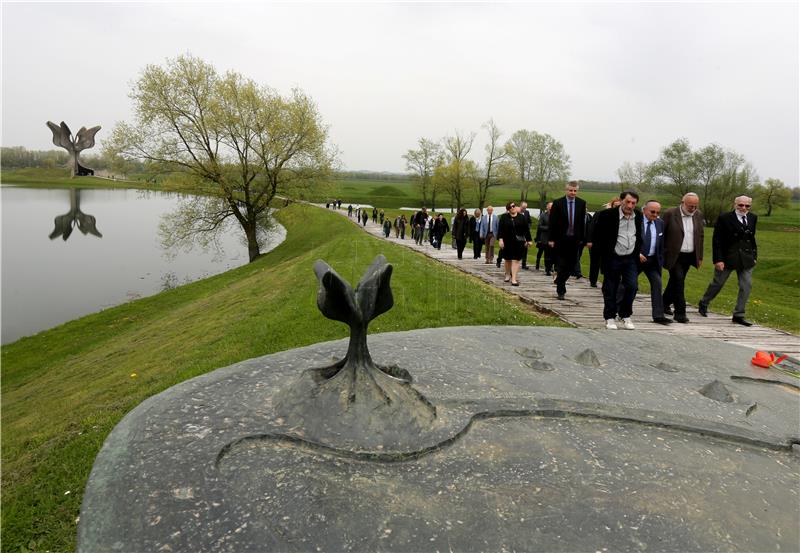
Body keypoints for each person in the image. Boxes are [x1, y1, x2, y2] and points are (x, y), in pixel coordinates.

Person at [698, 196, 758, 326]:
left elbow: (751, 239)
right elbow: (717, 240)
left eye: (747, 206)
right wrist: (718, 259)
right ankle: (704, 302)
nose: (744, 208)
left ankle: (738, 315)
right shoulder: (724, 218)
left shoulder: (753, 217)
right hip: (727, 257)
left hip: (746, 258)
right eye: (741, 205)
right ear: (735, 204)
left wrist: (754, 256)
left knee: (746, 286)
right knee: (718, 283)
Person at [590, 190, 643, 329]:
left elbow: (638, 236)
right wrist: (601, 256)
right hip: (612, 257)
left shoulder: (638, 216)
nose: (630, 206)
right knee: (610, 288)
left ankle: (625, 314)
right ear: (621, 201)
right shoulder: (607, 215)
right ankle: (609, 317)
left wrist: (637, 251)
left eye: (633, 203)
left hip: (630, 257)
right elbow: (598, 236)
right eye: (628, 202)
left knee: (632, 286)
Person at [662, 192, 704, 323]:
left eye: (695, 206)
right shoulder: (670, 213)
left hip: (689, 255)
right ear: (682, 203)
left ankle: (663, 303)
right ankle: (680, 313)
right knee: (679, 281)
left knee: (675, 281)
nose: (693, 209)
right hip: (674, 255)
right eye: (690, 206)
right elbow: (661, 234)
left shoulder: (698, 215)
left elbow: (700, 236)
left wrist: (700, 256)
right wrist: (662, 252)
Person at [548, 181, 588, 300]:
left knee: (571, 266)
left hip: (574, 240)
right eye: (571, 190)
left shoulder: (581, 203)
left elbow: (582, 223)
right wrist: (551, 239)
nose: (573, 193)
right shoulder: (558, 203)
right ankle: (561, 290)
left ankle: (559, 279)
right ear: (566, 190)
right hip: (561, 239)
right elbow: (552, 222)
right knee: (561, 264)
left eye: (575, 191)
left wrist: (583, 239)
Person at [637, 200, 671, 325]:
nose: (655, 214)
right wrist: (637, 253)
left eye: (658, 212)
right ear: (644, 210)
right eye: (652, 212)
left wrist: (660, 258)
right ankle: (618, 309)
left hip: (653, 260)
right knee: (628, 285)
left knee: (657, 284)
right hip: (637, 259)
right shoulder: (636, 221)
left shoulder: (660, 223)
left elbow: (661, 243)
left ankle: (658, 315)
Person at [588, 197, 621, 287]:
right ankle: (593, 280)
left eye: (619, 206)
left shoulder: (621, 217)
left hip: (611, 245)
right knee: (595, 262)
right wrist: (590, 240)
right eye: (615, 205)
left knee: (608, 264)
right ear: (612, 205)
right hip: (597, 243)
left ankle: (608, 282)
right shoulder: (600, 214)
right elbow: (591, 227)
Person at [498, 201, 532, 286]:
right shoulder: (504, 217)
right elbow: (500, 229)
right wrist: (501, 239)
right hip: (507, 241)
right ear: (508, 210)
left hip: (519, 242)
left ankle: (514, 279)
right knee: (508, 259)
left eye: (513, 206)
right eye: (510, 207)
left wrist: (529, 240)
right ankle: (507, 274)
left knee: (516, 260)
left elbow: (526, 230)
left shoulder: (522, 217)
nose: (512, 208)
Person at [534, 202, 553, 273]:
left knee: (552, 254)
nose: (551, 208)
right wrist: (548, 228)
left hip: (554, 238)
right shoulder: (543, 215)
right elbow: (539, 226)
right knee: (546, 254)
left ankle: (551, 266)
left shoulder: (556, 215)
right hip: (545, 238)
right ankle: (547, 269)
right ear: (547, 207)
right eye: (550, 206)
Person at [519, 201, 533, 270]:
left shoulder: (527, 212)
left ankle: (523, 264)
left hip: (525, 234)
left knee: (525, 249)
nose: (524, 209)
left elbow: (530, 221)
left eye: (525, 208)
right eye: (523, 207)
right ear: (520, 206)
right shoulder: (517, 212)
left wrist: (528, 227)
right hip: (518, 234)